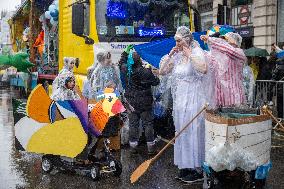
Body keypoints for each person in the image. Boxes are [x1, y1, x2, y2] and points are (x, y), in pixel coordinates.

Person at [159, 26, 207, 183]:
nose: (176, 43)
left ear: (186, 39)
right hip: (180, 100)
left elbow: (203, 68)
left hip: (194, 99)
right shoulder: (178, 56)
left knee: (193, 131)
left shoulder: (197, 52)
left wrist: (190, 54)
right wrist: (170, 54)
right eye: (175, 41)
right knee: (182, 132)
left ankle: (197, 169)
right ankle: (186, 165)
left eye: (178, 40)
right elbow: (162, 72)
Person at [124, 50, 160, 155]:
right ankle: (151, 148)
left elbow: (122, 63)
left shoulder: (127, 71)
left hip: (132, 102)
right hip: (145, 102)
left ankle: (133, 147)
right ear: (139, 60)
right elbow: (156, 82)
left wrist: (125, 53)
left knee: (133, 124)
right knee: (148, 124)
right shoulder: (145, 71)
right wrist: (151, 72)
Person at [201, 32, 247, 107]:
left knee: (234, 117)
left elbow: (230, 51)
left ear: (235, 41)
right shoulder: (222, 56)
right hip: (222, 97)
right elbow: (207, 57)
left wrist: (210, 40)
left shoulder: (239, 53)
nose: (225, 41)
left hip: (234, 96)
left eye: (227, 39)